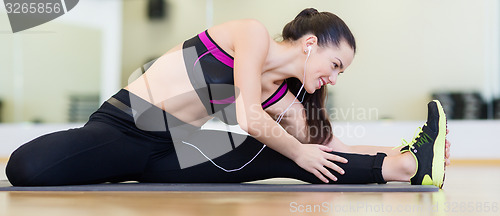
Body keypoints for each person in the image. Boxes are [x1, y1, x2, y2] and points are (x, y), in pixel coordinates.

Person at [6, 8, 450, 187]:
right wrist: (298, 148)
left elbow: (323, 153)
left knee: (296, 157)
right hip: (125, 127)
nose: (335, 78)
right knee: (24, 168)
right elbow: (246, 114)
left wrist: (407, 148)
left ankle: (409, 168)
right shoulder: (250, 35)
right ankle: (97, 159)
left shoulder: (281, 94)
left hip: (172, 150)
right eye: (336, 65)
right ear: (311, 43)